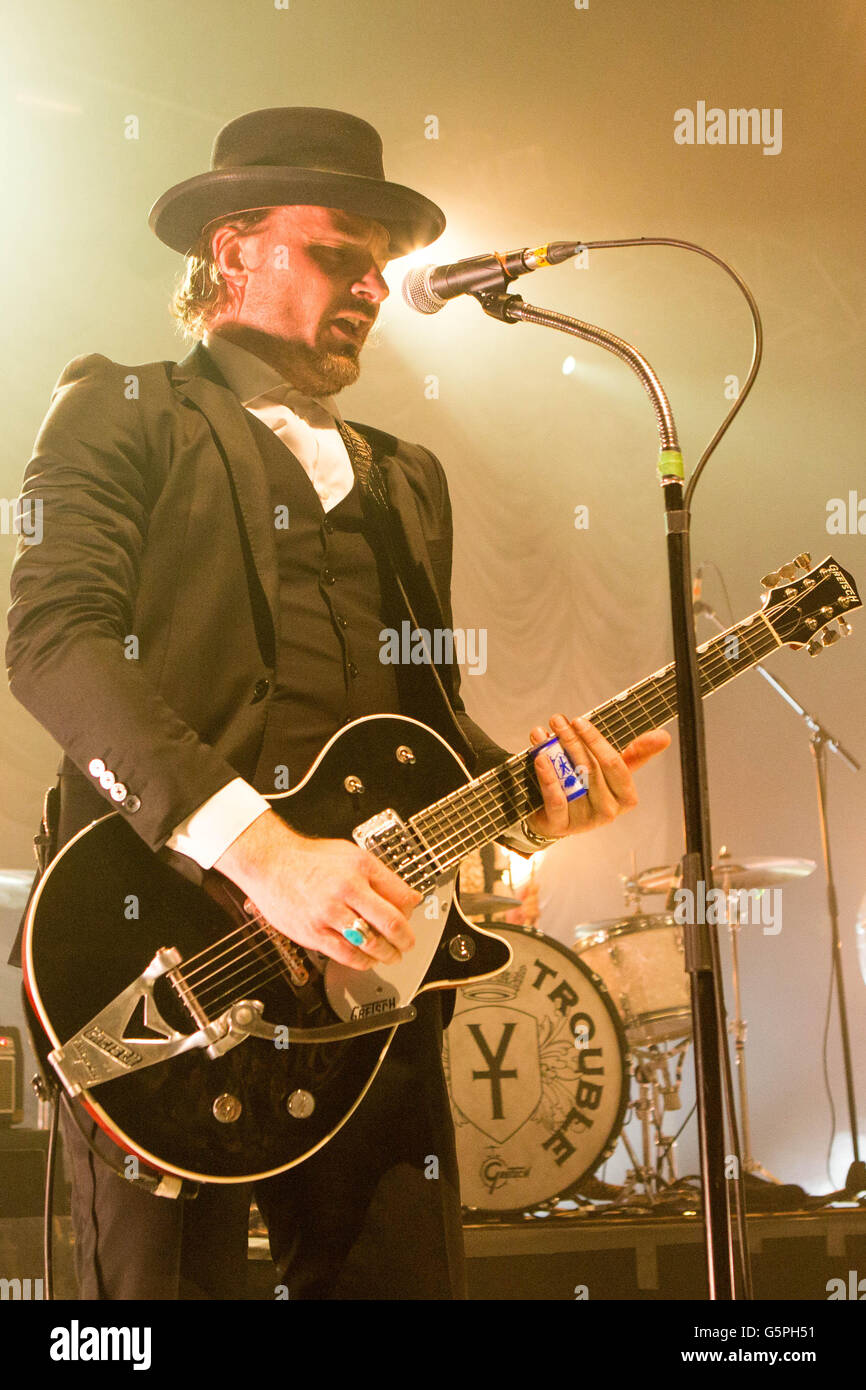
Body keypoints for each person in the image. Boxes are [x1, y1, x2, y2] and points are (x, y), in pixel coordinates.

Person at [6, 107, 669, 1300]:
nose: (372, 282)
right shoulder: (120, 410)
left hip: (373, 987)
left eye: (381, 260)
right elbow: (51, 638)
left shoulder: (406, 476)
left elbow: (417, 727)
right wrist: (267, 856)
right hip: (164, 961)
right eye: (336, 252)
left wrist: (528, 799)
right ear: (230, 249)